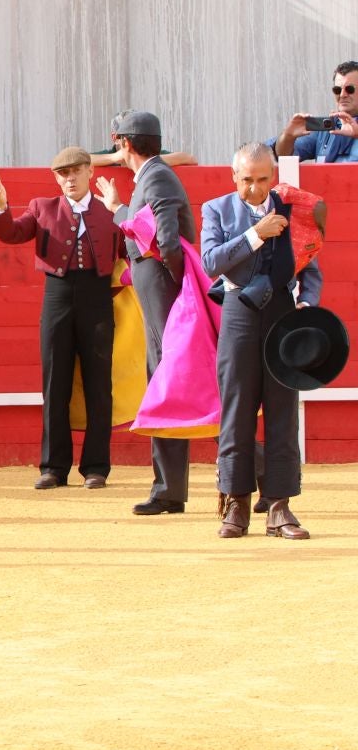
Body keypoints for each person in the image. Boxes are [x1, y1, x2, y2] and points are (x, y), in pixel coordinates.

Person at [200, 142, 323, 540]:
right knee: (237, 407)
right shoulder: (216, 209)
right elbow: (210, 262)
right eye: (246, 180)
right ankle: (236, 503)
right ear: (234, 177)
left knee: (282, 408)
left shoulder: (293, 210)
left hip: (283, 314)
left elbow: (310, 265)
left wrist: (307, 302)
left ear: (274, 177)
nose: (254, 189)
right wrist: (256, 233)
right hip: (238, 311)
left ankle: (279, 505)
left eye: (262, 180)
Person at [0, 147, 125, 490]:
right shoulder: (42, 207)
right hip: (57, 295)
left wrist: (122, 213)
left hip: (98, 297)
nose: (70, 178)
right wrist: (2, 208)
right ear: (56, 178)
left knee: (98, 385)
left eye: (76, 171)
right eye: (63, 173)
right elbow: (12, 233)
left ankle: (96, 467)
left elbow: (130, 248)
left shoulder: (108, 210)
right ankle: (53, 467)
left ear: (90, 172)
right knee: (55, 384)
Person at [89, 112, 197, 519]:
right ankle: (169, 489)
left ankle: (256, 471)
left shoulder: (158, 179)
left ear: (125, 143)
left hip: (167, 303)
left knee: (181, 388)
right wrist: (118, 209)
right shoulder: (152, 177)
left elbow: (167, 243)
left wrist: (176, 288)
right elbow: (149, 232)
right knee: (169, 388)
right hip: (160, 301)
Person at [272, 59, 358, 160]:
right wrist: (288, 136)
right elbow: (283, 156)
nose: (342, 95)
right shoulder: (325, 127)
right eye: (337, 90)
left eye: (350, 89)